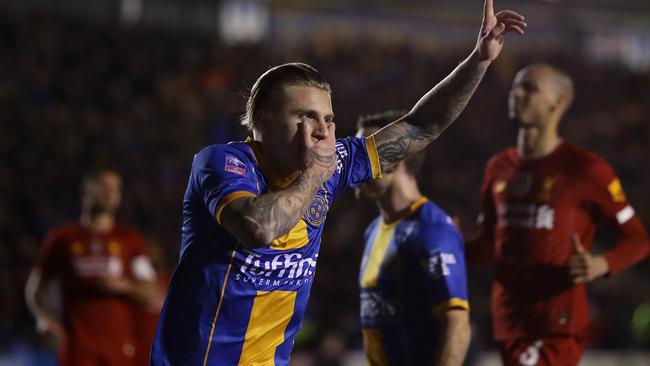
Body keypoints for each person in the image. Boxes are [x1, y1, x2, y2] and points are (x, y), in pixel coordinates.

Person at [150, 1, 526, 364]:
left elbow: (420, 125)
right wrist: (316, 173)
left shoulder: (337, 162)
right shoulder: (223, 163)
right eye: (304, 116)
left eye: (328, 119)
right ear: (263, 121)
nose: (322, 130)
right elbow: (256, 228)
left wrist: (478, 61)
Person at [466, 63, 650, 366]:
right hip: (507, 320)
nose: (516, 94)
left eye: (530, 88)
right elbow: (489, 245)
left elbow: (638, 239)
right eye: (515, 87)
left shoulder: (585, 169)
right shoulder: (498, 167)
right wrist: (450, 244)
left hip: (555, 322)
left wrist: (602, 264)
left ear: (558, 102)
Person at [355, 111, 471, 366]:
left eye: (366, 155)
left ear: (395, 160)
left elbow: (458, 326)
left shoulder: (432, 229)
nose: (357, 163)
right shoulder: (373, 230)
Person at [25, 169, 162, 366]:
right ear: (85, 190)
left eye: (115, 189)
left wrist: (123, 286)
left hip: (119, 349)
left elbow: (152, 291)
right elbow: (35, 289)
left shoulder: (130, 239)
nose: (109, 193)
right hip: (77, 348)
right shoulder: (61, 239)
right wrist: (47, 320)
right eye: (103, 187)